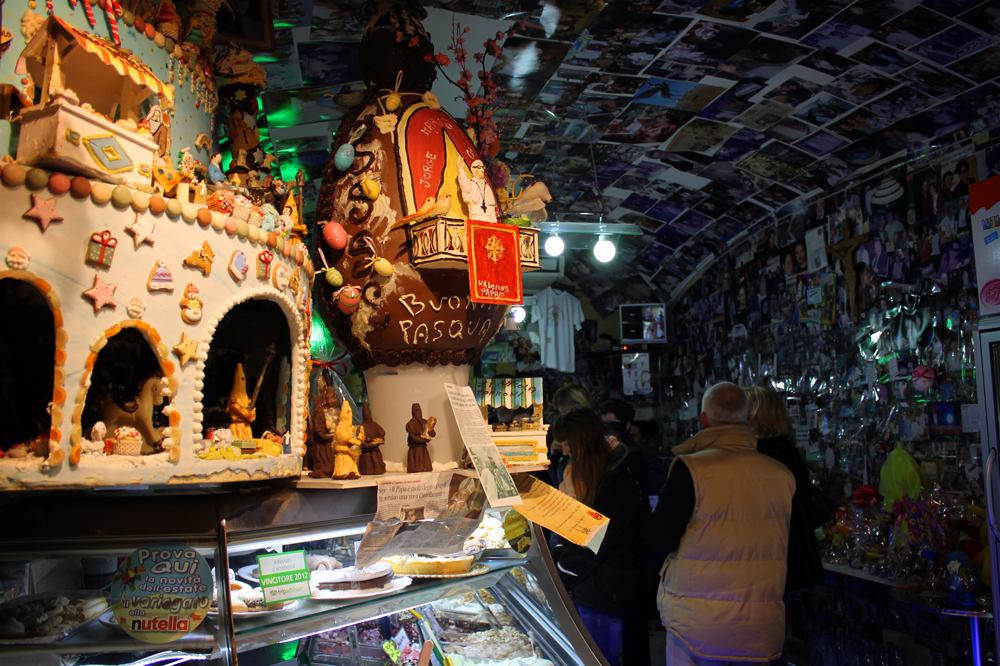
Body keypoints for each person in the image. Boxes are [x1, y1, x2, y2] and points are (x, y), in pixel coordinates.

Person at [649, 382, 794, 665]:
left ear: (703, 420)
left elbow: (659, 538)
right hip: (761, 628)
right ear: (748, 419)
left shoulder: (692, 470)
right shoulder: (781, 474)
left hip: (698, 628)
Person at [549, 405, 648, 666]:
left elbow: (594, 538)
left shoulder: (616, 480)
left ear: (582, 440)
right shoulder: (589, 474)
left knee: (598, 659)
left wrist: (559, 567)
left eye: (567, 443)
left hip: (606, 593)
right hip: (593, 589)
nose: (565, 451)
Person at [745, 384, 827, 666]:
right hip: (792, 563)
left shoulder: (767, 457)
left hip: (780, 566)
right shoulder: (786, 451)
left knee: (766, 648)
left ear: (755, 416)